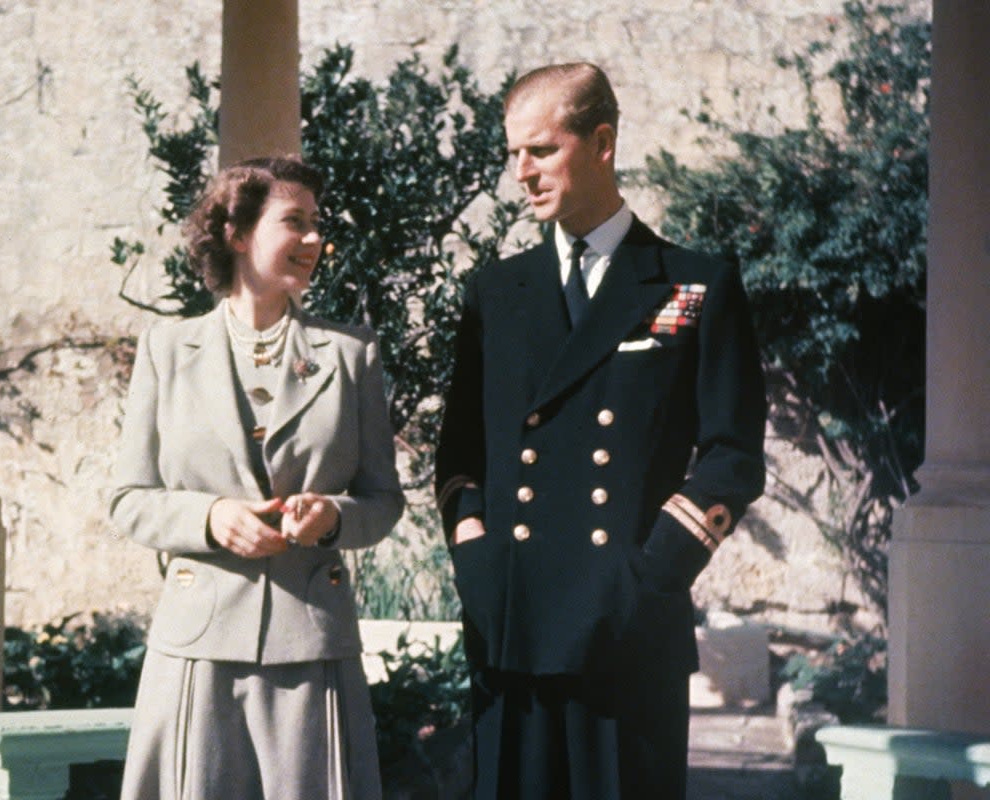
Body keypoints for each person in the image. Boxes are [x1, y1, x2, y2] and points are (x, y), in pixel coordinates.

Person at [434, 63, 766, 799]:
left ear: (603, 141)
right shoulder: (496, 292)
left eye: (541, 150)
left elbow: (733, 456)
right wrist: (474, 555)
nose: (520, 173)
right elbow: (458, 455)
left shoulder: (691, 283)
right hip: (511, 619)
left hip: (626, 630)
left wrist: (651, 575)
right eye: (513, 154)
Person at [111, 156, 404, 800]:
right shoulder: (167, 349)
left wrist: (331, 518)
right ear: (238, 232)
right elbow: (128, 500)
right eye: (294, 222)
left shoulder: (351, 355)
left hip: (312, 639)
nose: (313, 240)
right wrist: (211, 518)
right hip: (197, 645)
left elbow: (383, 501)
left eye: (317, 225)